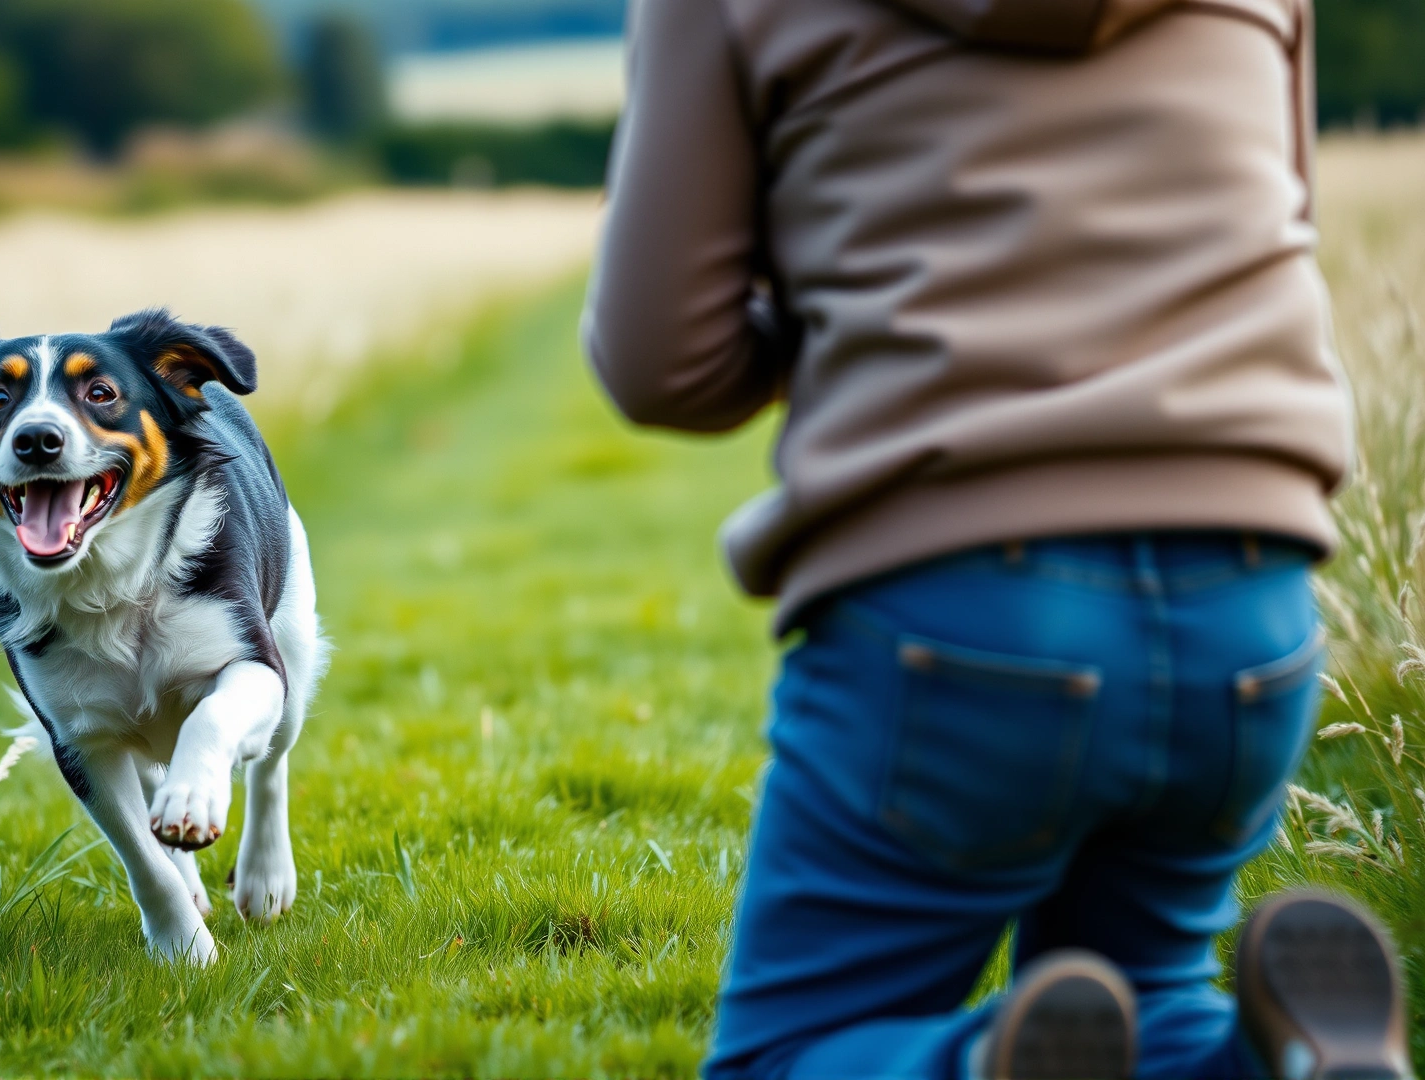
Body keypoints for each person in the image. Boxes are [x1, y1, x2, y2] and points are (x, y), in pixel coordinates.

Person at [582, 0, 1412, 1077]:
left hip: (960, 610)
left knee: (789, 1051)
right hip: (1249, 601)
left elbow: (660, 361)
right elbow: (1278, 218)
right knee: (1153, 1002)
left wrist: (864, 310)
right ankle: (1272, 1061)